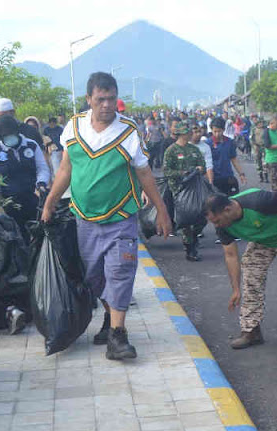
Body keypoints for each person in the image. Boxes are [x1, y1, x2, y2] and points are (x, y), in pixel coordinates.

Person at [41, 72, 172, 360]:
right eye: (100, 99)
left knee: (120, 272)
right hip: (84, 218)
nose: (106, 105)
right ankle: (110, 318)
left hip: (121, 216)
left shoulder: (128, 131)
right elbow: (65, 169)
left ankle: (118, 336)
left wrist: (161, 209)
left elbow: (144, 172)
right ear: (89, 99)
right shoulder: (73, 129)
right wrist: (50, 202)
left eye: (112, 98)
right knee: (94, 277)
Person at [204, 190, 277, 349]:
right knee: (250, 276)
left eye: (217, 221)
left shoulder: (259, 201)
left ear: (227, 210)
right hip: (262, 241)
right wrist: (236, 289)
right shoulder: (223, 226)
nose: (216, 226)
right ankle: (251, 331)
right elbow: (230, 255)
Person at [0, 116, 50, 243]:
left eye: (11, 134)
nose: (9, 137)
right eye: (5, 135)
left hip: (33, 199)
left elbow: (42, 168)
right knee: (16, 241)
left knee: (37, 238)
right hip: (8, 204)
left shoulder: (31, 145)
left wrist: (41, 183)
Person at [163, 121, 206, 261]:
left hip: (195, 189)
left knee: (202, 217)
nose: (189, 134)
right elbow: (167, 171)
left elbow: (202, 165)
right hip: (179, 190)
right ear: (181, 134)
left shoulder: (194, 150)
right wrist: (183, 173)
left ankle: (194, 237)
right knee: (186, 220)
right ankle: (190, 248)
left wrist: (199, 169)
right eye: (187, 132)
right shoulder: (171, 150)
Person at [206, 117, 246, 197]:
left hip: (228, 177)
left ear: (224, 129)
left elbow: (234, 159)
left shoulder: (229, 142)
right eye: (215, 131)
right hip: (214, 179)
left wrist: (241, 174)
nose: (217, 134)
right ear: (211, 130)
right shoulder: (207, 144)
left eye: (219, 131)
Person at [250, 116, 268, 183]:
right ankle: (261, 177)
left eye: (262, 123)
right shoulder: (254, 130)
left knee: (265, 163)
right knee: (258, 162)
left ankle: (266, 177)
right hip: (257, 147)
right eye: (259, 123)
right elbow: (251, 139)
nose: (261, 124)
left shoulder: (265, 130)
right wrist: (254, 146)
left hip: (264, 148)